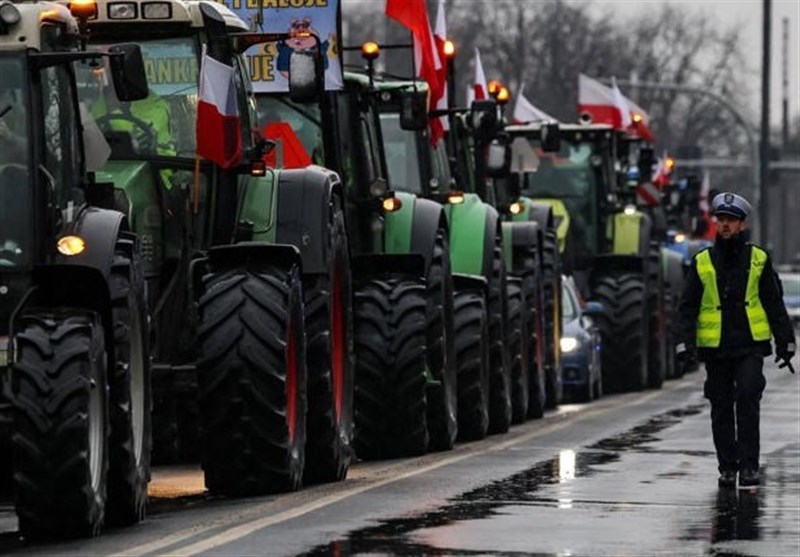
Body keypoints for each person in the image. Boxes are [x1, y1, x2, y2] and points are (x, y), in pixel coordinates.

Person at [676, 192, 796, 488]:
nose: (725, 225)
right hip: (715, 349)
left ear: (742, 224)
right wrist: (684, 344)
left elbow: (773, 302)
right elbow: (687, 307)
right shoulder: (702, 261)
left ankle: (750, 466)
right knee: (720, 407)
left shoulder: (758, 259)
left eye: (731, 220)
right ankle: (728, 467)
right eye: (721, 219)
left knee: (747, 399)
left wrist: (786, 342)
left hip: (749, 347)